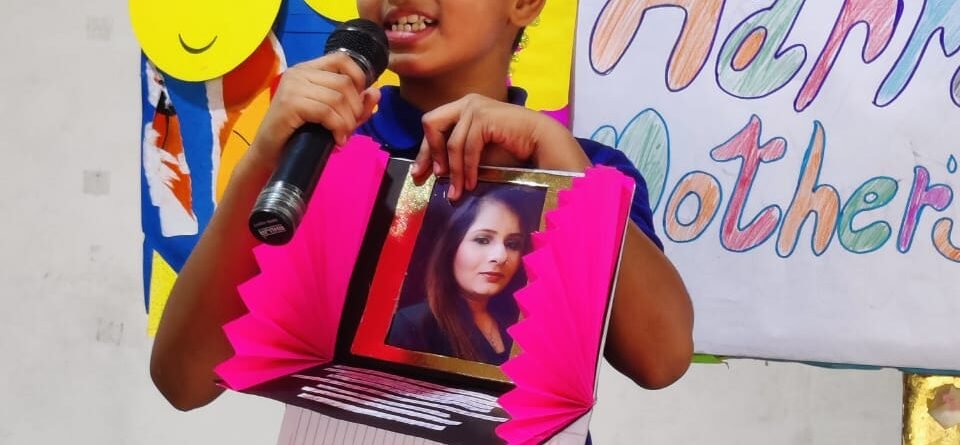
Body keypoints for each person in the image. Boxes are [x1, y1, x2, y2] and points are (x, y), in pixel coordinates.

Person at [151, 0, 694, 411]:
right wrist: (261, 163)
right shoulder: (319, 153)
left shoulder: (588, 169)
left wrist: (562, 166)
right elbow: (184, 382)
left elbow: (661, 359)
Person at [387, 187, 534, 365]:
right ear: (452, 246)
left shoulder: (517, 322)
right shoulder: (412, 326)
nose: (501, 256)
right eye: (483, 240)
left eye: (512, 244)